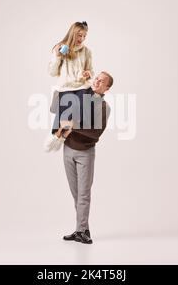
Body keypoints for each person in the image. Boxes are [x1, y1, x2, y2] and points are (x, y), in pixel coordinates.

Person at [54, 71, 114, 244]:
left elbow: (95, 132)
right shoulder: (80, 96)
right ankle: (81, 229)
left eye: (101, 81)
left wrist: (72, 126)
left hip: (85, 153)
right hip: (67, 150)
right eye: (97, 78)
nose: (97, 81)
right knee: (76, 194)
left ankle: (82, 230)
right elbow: (60, 109)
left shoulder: (103, 107)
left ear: (106, 88)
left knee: (83, 195)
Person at [44, 21, 94, 152]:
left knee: (80, 117)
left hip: (82, 87)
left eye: (84, 36)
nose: (81, 39)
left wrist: (87, 73)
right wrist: (57, 56)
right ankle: (58, 136)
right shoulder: (61, 48)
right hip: (66, 88)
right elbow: (52, 72)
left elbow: (91, 70)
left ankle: (62, 136)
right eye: (79, 35)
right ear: (72, 34)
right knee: (64, 119)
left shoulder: (86, 51)